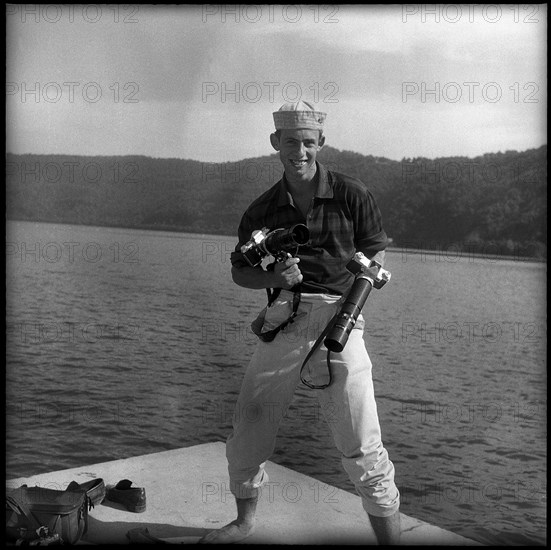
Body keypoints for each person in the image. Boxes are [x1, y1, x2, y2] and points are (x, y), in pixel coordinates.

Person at [199, 101, 401, 545]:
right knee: (249, 428)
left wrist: (354, 300)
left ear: (321, 143)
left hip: (341, 317)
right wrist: (274, 277)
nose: (300, 151)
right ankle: (244, 521)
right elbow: (238, 270)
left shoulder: (352, 193)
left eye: (309, 142)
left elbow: (377, 250)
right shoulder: (262, 209)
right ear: (276, 143)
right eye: (291, 141)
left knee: (363, 448)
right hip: (285, 317)